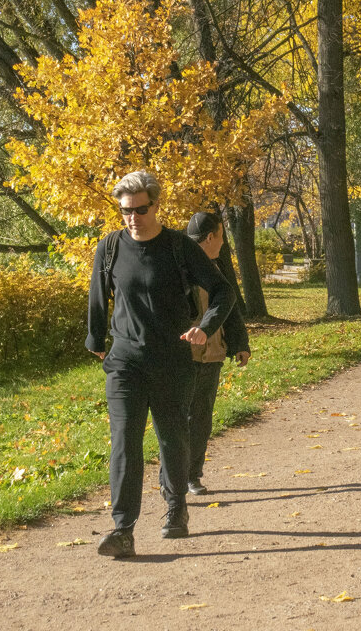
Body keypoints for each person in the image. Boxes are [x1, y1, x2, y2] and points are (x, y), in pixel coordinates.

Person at [87, 172, 234, 558]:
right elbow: (99, 298)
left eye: (139, 209)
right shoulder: (110, 248)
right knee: (124, 442)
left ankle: (176, 508)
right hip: (125, 363)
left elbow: (223, 290)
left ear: (155, 205)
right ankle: (123, 529)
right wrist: (96, 340)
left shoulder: (179, 247)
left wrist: (205, 327)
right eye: (124, 211)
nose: (132, 217)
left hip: (171, 361)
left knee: (171, 438)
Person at [178, 212, 251, 496]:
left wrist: (240, 343)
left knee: (201, 418)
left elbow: (229, 309)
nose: (222, 243)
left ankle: (192, 476)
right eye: (221, 237)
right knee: (177, 419)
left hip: (212, 355)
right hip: (183, 355)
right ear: (210, 237)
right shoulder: (178, 266)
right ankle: (172, 477)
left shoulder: (217, 267)